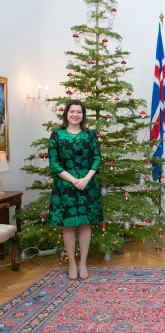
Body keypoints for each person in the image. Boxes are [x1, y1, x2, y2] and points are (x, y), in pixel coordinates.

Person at [48, 100, 103, 280]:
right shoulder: (57, 135)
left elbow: (97, 158)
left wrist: (86, 179)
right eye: (72, 111)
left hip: (88, 185)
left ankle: (83, 262)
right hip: (66, 186)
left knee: (86, 224)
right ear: (66, 114)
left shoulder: (90, 135)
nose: (75, 115)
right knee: (69, 226)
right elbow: (54, 163)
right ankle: (72, 262)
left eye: (79, 112)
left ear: (83, 115)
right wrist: (73, 180)